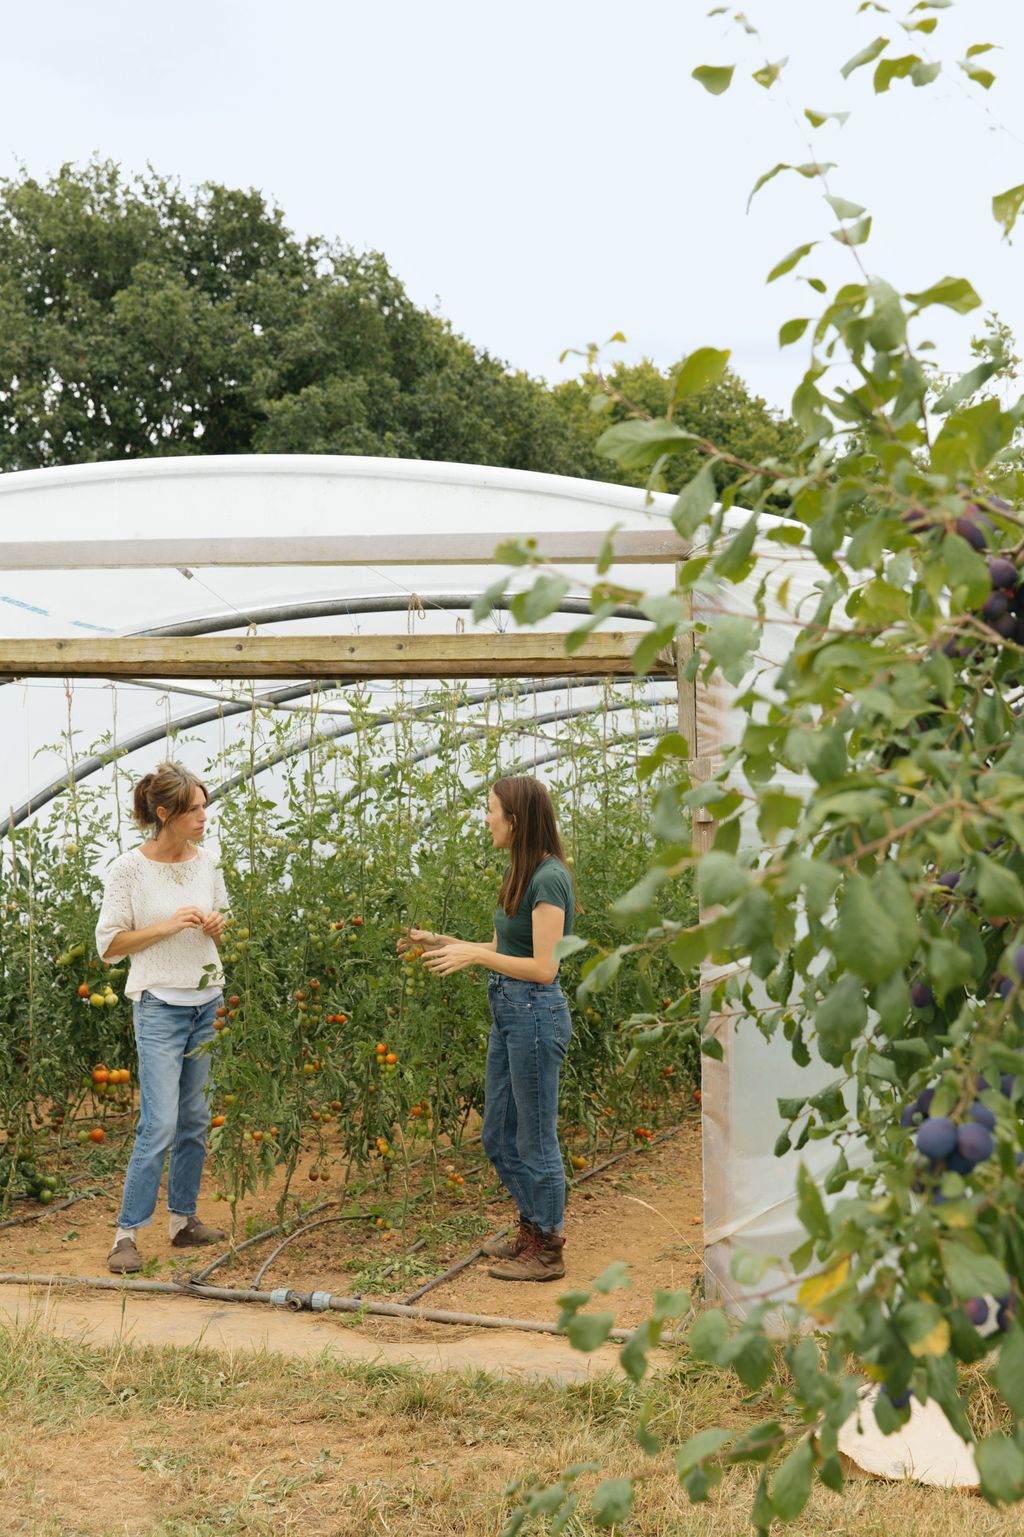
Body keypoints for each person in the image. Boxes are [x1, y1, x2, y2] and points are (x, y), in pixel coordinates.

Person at [400, 775, 577, 1281]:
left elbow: (545, 967)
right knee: (498, 1135)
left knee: (536, 1139)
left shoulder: (549, 878)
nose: (486, 818)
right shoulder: (521, 872)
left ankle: (548, 1249)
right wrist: (442, 942)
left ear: (515, 819)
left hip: (535, 1014)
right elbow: (511, 951)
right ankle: (534, 1225)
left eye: (491, 810)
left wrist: (475, 954)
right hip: (510, 1011)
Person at [95, 761, 229, 1274]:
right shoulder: (129, 869)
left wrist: (217, 926)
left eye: (205, 807)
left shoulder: (207, 862)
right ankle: (126, 1235)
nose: (204, 817)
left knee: (195, 1119)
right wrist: (166, 925)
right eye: (194, 809)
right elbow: (109, 945)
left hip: (207, 1003)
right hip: (158, 1006)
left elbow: (223, 930)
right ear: (165, 813)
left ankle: (182, 1222)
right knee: (160, 1122)